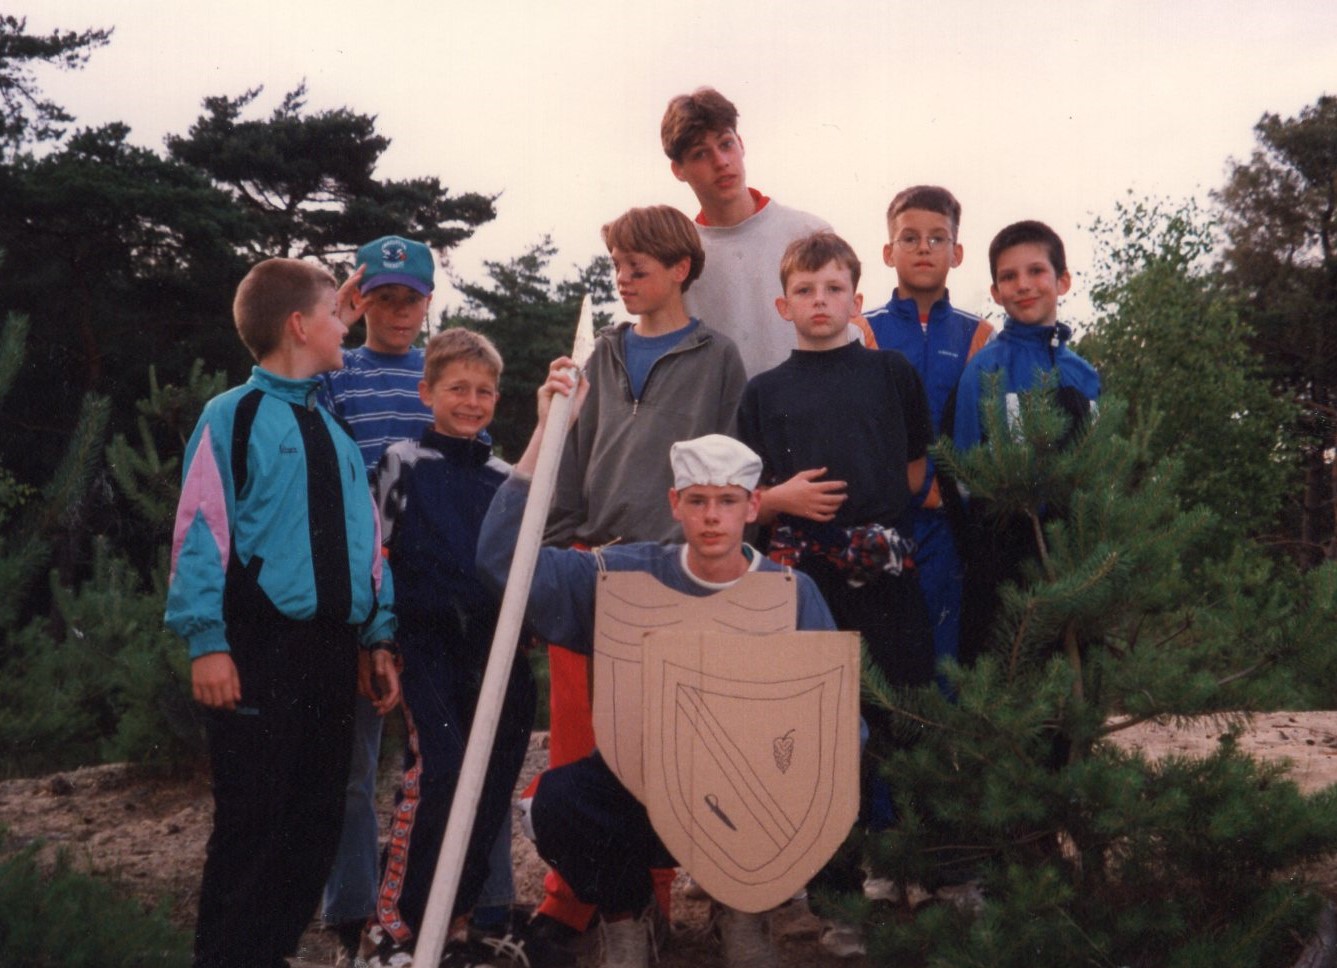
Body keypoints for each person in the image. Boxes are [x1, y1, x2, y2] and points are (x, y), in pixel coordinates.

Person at [477, 361, 837, 968]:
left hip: (747, 795)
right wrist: (548, 433)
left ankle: (743, 908)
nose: (712, 516)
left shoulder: (791, 592)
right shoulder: (623, 576)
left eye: (727, 501)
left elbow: (834, 721)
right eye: (698, 501)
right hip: (643, 786)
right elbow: (503, 565)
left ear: (753, 506)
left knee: (827, 770)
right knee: (558, 803)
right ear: (675, 504)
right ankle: (628, 912)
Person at [527, 205, 747, 965]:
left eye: (637, 267)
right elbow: (566, 461)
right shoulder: (598, 356)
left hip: (675, 573)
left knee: (662, 748)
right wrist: (556, 559)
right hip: (590, 564)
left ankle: (654, 900)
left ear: (680, 269)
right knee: (577, 748)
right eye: (616, 266)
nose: (622, 278)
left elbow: (730, 470)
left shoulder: (719, 359)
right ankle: (573, 901)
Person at [165, 257, 400, 968]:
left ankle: (267, 954)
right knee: (254, 822)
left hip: (332, 653)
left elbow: (368, 543)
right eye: (335, 315)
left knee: (315, 821)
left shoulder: (332, 429)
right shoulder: (232, 417)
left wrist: (377, 635)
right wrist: (207, 641)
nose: (346, 326)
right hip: (256, 651)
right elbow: (199, 531)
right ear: (298, 325)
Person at [736, 230, 933, 955]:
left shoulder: (891, 374)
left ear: (856, 299)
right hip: (804, 581)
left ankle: (915, 871)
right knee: (821, 733)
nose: (820, 301)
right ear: (782, 304)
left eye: (833, 289)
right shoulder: (763, 392)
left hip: (885, 571)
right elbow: (745, 497)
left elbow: (913, 468)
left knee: (906, 715)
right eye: (805, 290)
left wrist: (870, 529)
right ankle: (838, 897)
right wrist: (780, 500)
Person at [362, 328, 536, 968]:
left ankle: (453, 924)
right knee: (440, 771)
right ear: (427, 392)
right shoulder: (403, 461)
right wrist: (379, 638)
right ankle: (390, 929)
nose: (471, 402)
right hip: (426, 641)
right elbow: (375, 554)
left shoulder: (504, 477)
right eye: (457, 388)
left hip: (494, 649)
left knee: (490, 783)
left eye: (484, 391)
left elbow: (521, 563)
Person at [317, 234, 440, 961]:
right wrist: (331, 321)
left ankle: (434, 905)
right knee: (354, 769)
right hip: (358, 585)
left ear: (427, 304)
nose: (397, 312)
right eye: (382, 298)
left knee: (436, 759)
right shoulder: (337, 372)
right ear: (360, 302)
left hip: (427, 585)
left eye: (409, 299)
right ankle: (351, 911)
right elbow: (293, 402)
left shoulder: (441, 375)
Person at [951, 220, 1101, 664]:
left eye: (1036, 271)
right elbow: (963, 474)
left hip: (1073, 558)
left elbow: (1099, 467)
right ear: (996, 292)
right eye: (1008, 276)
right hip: (1004, 561)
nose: (1023, 285)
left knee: (1071, 675)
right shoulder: (984, 371)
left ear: (1063, 281)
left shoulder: (1083, 375)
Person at [862, 186, 994, 675]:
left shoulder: (978, 334)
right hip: (883, 518)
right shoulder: (863, 329)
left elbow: (982, 430)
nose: (924, 248)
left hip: (950, 521)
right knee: (884, 650)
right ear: (888, 251)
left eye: (938, 239)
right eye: (910, 238)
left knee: (947, 649)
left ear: (956, 253)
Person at [661, 87, 868, 378]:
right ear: (678, 170)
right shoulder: (681, 262)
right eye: (700, 154)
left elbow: (853, 338)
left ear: (741, 144)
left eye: (726, 144)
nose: (721, 162)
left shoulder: (809, 233)